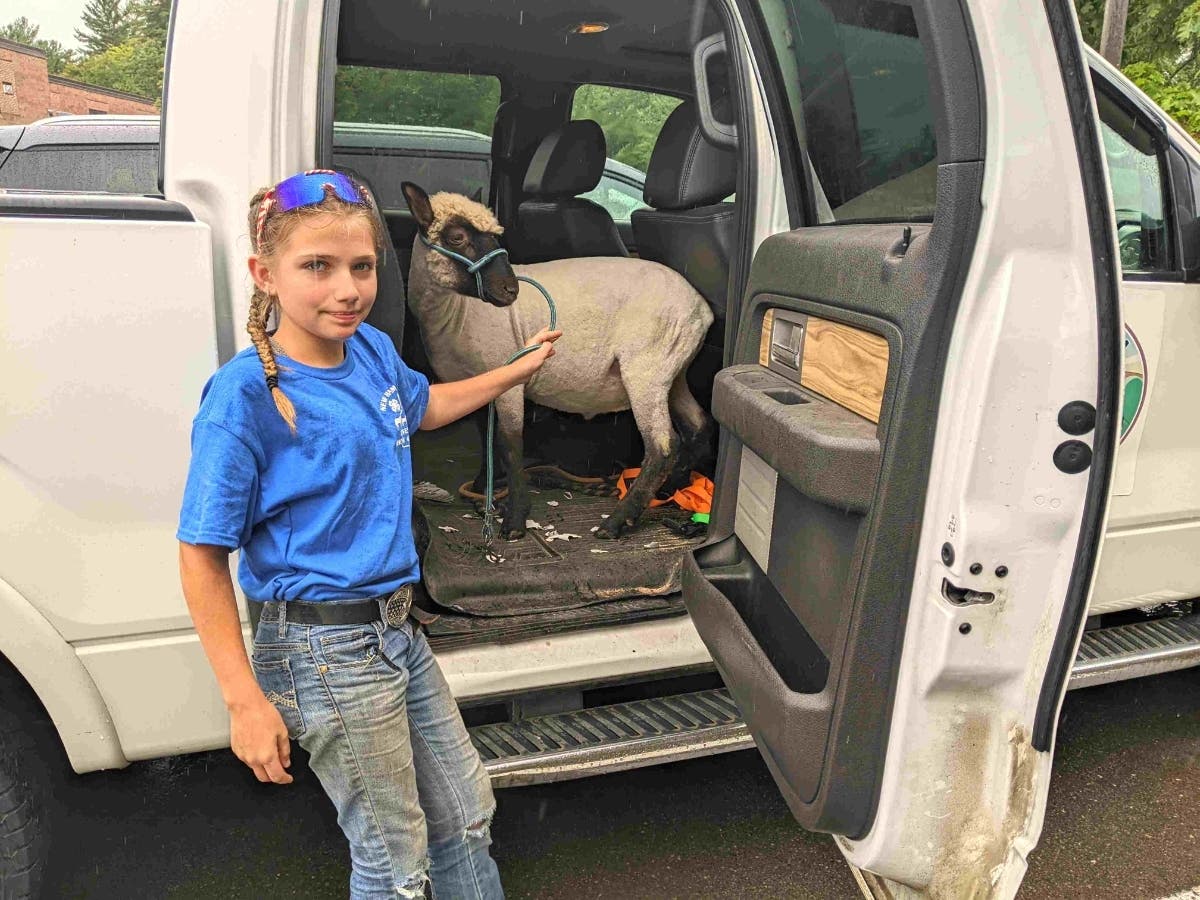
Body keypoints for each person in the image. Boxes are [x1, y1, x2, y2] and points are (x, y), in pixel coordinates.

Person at [177, 169, 559, 899]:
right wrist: (243, 701)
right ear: (265, 274)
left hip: (395, 631)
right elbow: (200, 557)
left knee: (466, 815)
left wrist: (517, 370)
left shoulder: (373, 354)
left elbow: (423, 409)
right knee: (394, 860)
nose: (346, 289)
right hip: (324, 652)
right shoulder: (246, 395)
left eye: (361, 266)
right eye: (316, 267)